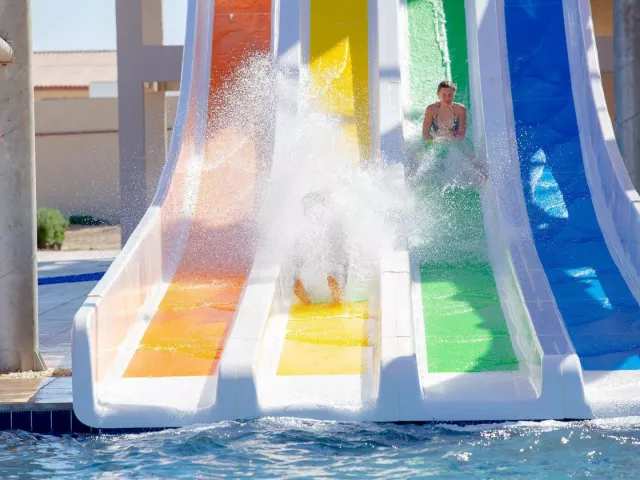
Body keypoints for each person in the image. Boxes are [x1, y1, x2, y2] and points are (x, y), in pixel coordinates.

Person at [292, 191, 349, 305]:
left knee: (299, 258)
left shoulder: (304, 217)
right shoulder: (334, 214)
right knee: (338, 258)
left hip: (309, 232)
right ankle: (338, 287)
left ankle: (298, 280)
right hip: (332, 229)